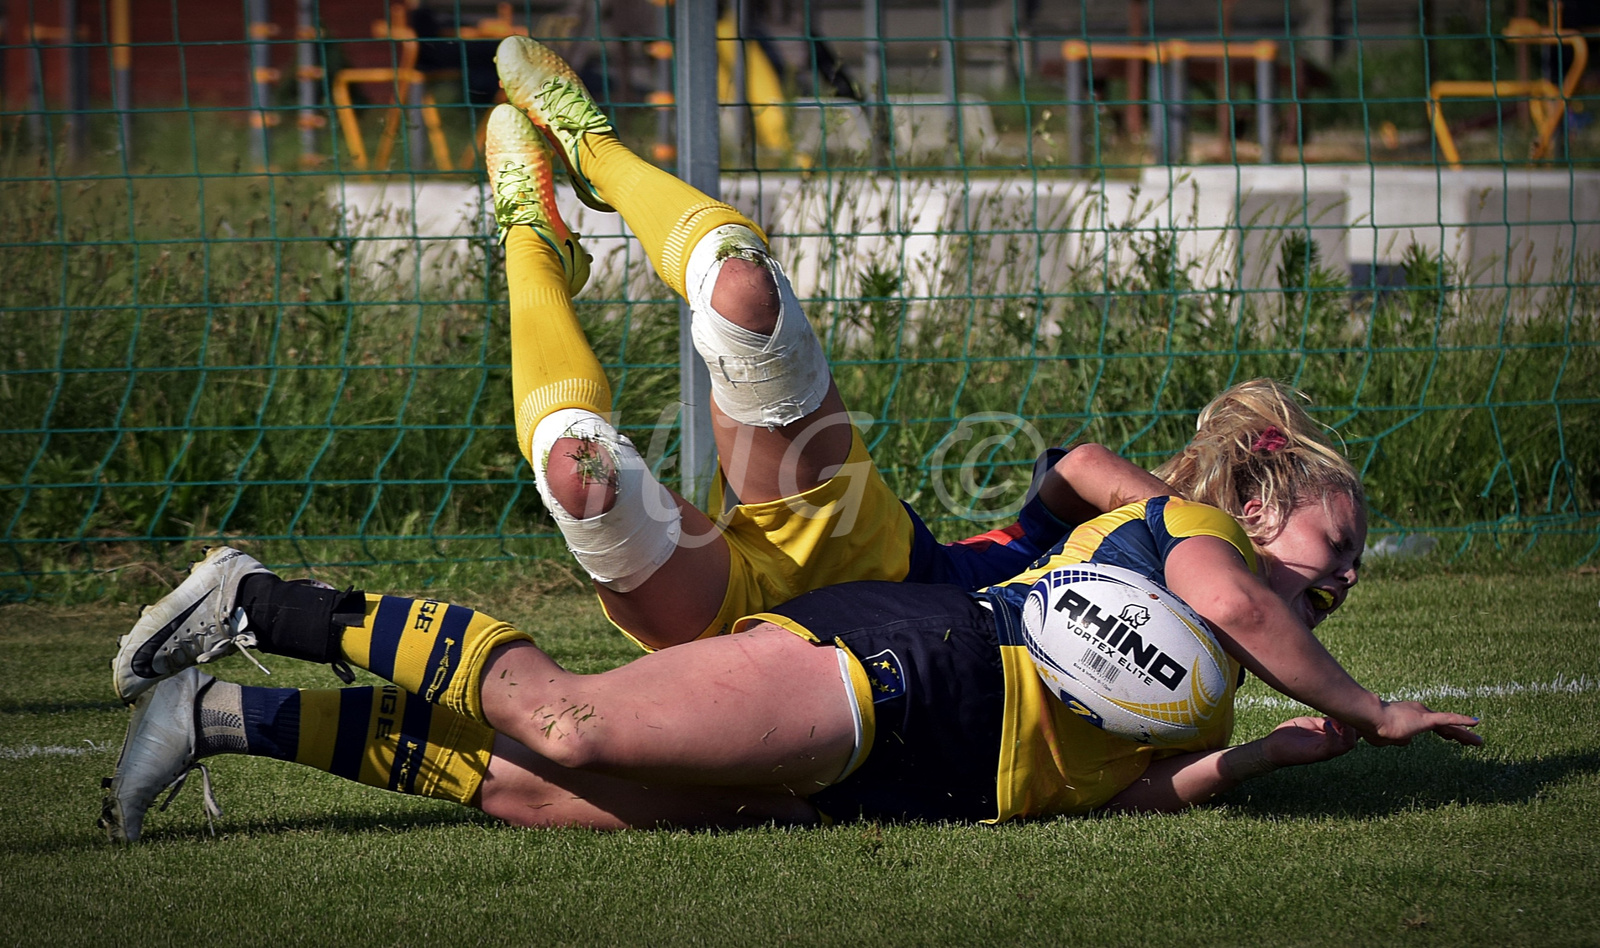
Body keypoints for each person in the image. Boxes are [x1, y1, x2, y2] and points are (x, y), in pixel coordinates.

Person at [99, 39, 1481, 841]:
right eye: (1335, 540)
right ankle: (577, 165)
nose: (1348, 571)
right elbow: (1136, 515)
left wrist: (1269, 754)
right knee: (742, 308)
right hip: (896, 606)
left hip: (905, 710)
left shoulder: (1206, 654)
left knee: (549, 727)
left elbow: (1144, 765)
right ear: (1257, 501)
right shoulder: (1180, 544)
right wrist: (1359, 701)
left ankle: (226, 710)